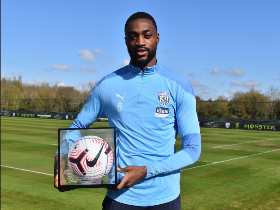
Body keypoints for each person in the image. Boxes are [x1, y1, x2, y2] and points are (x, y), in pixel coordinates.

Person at [54, 12, 201, 210]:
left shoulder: (179, 86)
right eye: (133, 36)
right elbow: (77, 127)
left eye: (146, 35)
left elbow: (192, 149)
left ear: (157, 38)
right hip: (120, 198)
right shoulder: (107, 85)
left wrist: (146, 171)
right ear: (126, 40)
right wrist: (62, 160)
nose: (140, 41)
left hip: (165, 199)